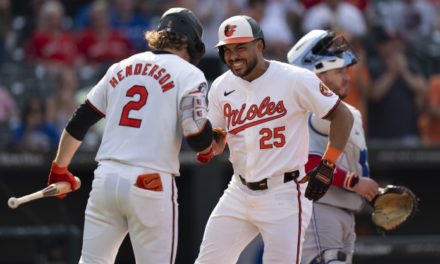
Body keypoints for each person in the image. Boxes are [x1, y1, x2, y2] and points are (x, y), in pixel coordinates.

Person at [46, 7, 219, 263]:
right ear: (193, 44)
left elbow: (79, 121)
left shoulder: (121, 65)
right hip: (150, 181)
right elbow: (195, 134)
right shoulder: (190, 73)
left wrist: (59, 168)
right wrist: (211, 146)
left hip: (106, 177)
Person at [195, 15, 354, 264]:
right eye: (226, 49)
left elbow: (342, 115)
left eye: (240, 47)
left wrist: (328, 164)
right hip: (238, 190)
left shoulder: (294, 78)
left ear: (259, 45)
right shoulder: (221, 86)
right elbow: (220, 133)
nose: (233, 55)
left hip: (285, 193)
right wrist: (210, 146)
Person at [287, 29, 380, 263]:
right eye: (339, 72)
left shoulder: (348, 113)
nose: (347, 77)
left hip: (343, 212)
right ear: (317, 76)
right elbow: (307, 164)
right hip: (319, 209)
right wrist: (355, 182)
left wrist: (371, 192)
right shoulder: (310, 109)